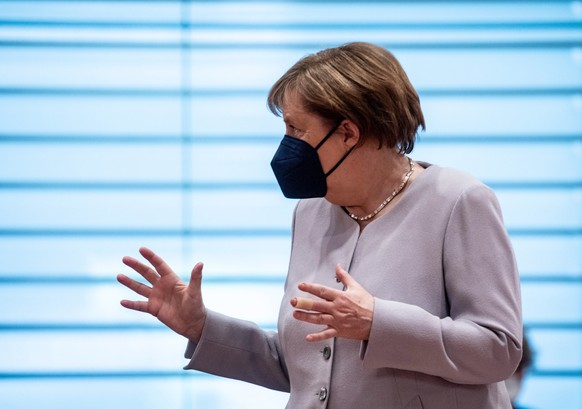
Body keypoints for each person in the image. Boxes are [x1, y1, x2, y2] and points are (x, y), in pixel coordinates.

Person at [117, 42, 523, 408]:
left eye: (296, 128)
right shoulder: (311, 211)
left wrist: (377, 323)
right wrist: (202, 327)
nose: (285, 145)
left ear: (348, 132)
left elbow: (499, 349)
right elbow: (308, 369)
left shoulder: (458, 200)